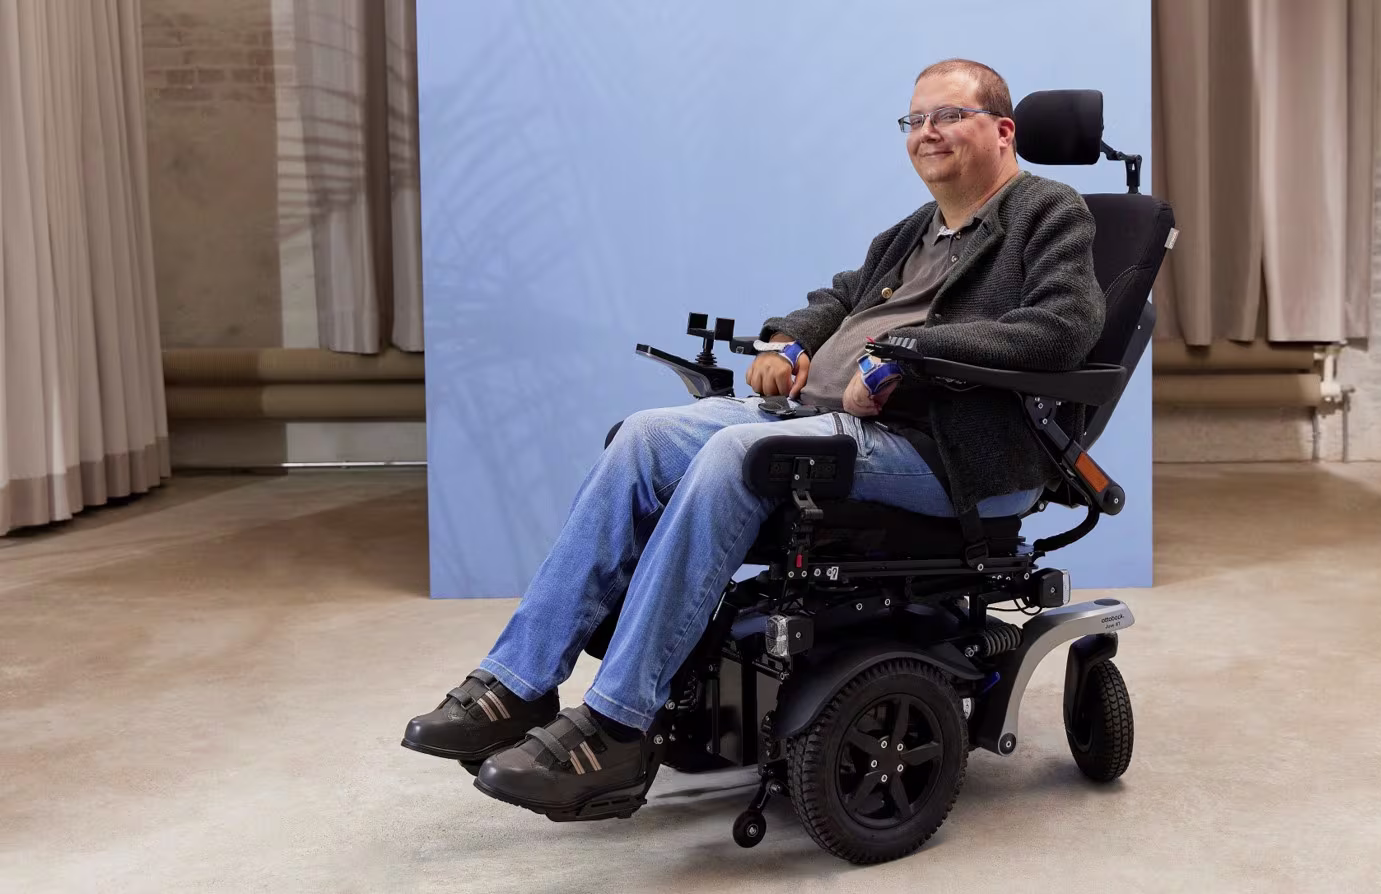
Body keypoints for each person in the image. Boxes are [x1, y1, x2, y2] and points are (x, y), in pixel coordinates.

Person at [402, 58, 1105, 812]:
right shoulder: (914, 231)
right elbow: (838, 299)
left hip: (946, 451)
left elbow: (1062, 330)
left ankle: (615, 723)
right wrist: (790, 345)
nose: (926, 133)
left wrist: (917, 358)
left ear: (1002, 130)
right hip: (824, 418)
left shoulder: (1049, 211)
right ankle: (518, 684)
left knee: (744, 455)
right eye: (914, 119)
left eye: (947, 116)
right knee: (643, 436)